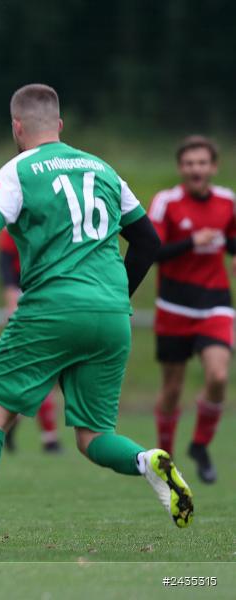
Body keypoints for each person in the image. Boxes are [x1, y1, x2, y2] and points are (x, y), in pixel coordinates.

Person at [0, 84, 192, 557]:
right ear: (60, 125)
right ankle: (147, 460)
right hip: (110, 315)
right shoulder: (103, 168)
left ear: (17, 127)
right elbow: (149, 241)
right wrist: (116, 295)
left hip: (50, 310)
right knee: (93, 437)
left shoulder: (19, 169)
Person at [149, 136, 235, 484]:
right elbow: (153, 251)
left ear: (213, 167)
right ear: (181, 168)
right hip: (173, 305)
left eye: (202, 163)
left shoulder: (228, 201)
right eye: (189, 163)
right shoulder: (166, 203)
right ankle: (165, 462)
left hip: (214, 302)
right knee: (172, 389)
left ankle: (200, 445)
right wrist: (191, 242)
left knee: (218, 376)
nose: (196, 169)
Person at [0, 228, 61, 453]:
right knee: (37, 372)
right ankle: (48, 439)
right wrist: (11, 296)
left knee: (41, 374)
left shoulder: (55, 219)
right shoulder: (15, 221)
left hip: (52, 300)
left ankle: (16, 425)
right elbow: (4, 261)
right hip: (27, 301)